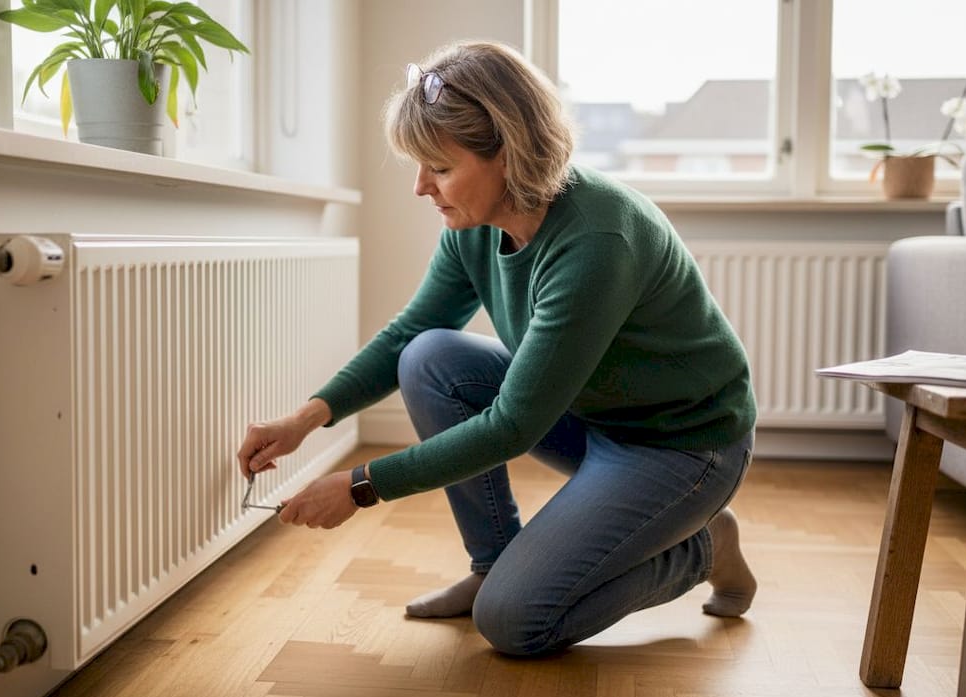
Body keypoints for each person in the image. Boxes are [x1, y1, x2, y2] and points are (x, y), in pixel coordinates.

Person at [236, 40, 758, 657]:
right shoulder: (474, 225)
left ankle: (701, 547)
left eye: (440, 166)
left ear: (509, 156)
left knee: (515, 623)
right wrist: (306, 418)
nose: (420, 187)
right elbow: (409, 332)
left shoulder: (597, 238)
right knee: (428, 356)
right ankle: (493, 563)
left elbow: (512, 426)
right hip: (591, 419)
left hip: (680, 446)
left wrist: (359, 486)